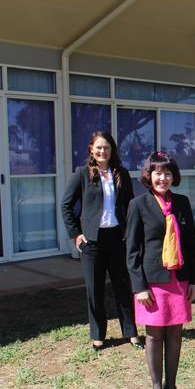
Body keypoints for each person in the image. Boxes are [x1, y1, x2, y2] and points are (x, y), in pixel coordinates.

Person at [126, 152, 195, 389]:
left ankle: (172, 386)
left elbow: (190, 245)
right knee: (154, 334)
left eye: (167, 173)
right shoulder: (138, 205)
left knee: (175, 334)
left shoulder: (182, 203)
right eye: (157, 173)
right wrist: (139, 287)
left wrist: (194, 280)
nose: (163, 178)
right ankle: (157, 387)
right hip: (152, 281)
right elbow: (132, 251)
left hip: (178, 279)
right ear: (149, 176)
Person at [61, 131, 142, 351]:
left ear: (112, 150)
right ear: (91, 149)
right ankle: (98, 335)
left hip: (117, 237)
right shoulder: (81, 174)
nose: (102, 151)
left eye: (106, 147)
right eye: (98, 147)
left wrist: (129, 229)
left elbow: (131, 205)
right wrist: (75, 234)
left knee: (123, 286)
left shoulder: (121, 174)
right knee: (94, 290)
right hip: (92, 241)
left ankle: (131, 332)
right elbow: (66, 205)